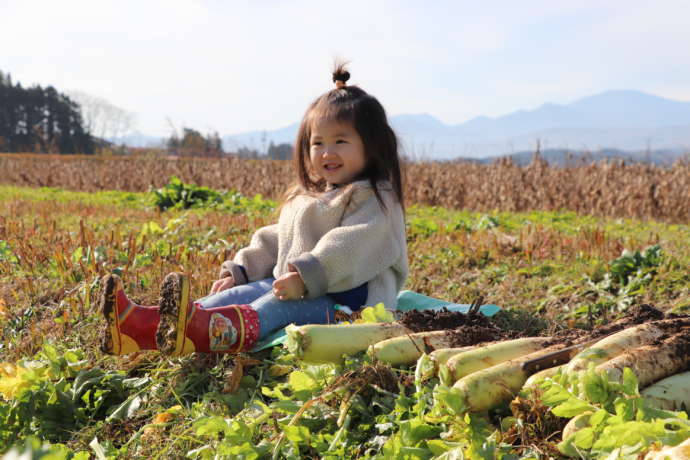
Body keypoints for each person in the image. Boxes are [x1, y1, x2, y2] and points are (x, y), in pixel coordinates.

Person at [100, 64, 408, 356]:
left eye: (341, 141)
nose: (327, 152)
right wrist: (242, 270)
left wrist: (304, 277)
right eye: (317, 143)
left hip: (350, 309)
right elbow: (280, 238)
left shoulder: (376, 199)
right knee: (231, 298)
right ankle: (138, 328)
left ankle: (210, 334)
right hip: (302, 289)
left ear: (373, 145)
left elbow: (350, 246)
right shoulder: (313, 197)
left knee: (275, 308)